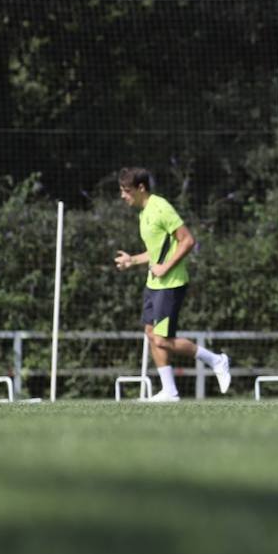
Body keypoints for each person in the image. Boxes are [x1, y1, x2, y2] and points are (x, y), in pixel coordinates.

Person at [113, 167, 230, 401]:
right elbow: (156, 252)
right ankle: (169, 391)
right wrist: (132, 260)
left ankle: (216, 360)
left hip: (171, 283)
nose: (123, 196)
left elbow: (187, 240)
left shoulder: (160, 207)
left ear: (141, 188)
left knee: (162, 339)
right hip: (153, 283)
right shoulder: (143, 213)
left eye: (126, 191)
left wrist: (165, 268)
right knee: (150, 333)